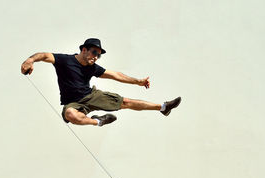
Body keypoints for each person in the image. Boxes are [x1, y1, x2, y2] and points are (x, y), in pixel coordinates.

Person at [21, 38, 181, 127]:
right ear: (84, 50)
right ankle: (98, 121)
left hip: (91, 96)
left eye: (99, 55)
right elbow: (43, 55)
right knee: (70, 115)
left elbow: (115, 75)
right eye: (94, 52)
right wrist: (30, 60)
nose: (96, 57)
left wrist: (137, 81)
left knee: (126, 102)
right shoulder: (65, 60)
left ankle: (164, 107)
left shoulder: (93, 68)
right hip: (73, 103)